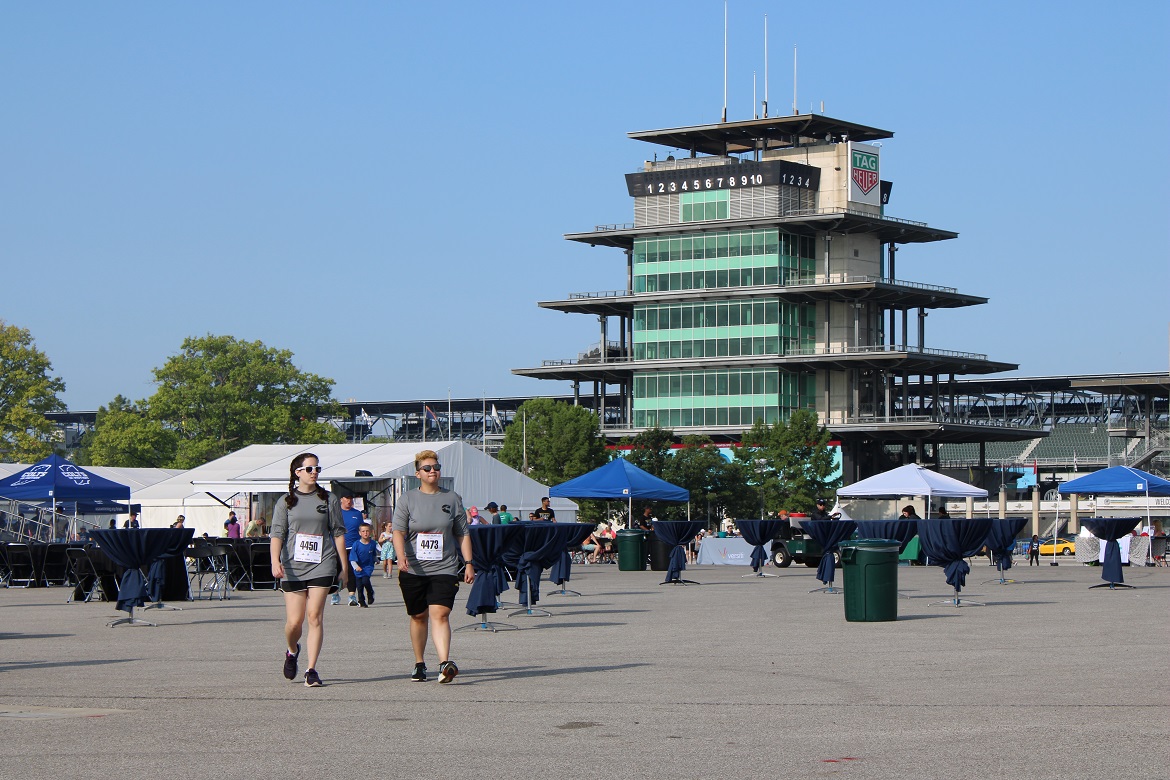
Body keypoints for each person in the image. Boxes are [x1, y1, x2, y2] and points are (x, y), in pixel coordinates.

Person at [392, 449, 473, 684]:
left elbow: (462, 533)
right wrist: (400, 556)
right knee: (418, 615)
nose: (432, 471)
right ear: (418, 473)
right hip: (414, 568)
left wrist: (468, 563)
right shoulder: (407, 499)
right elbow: (398, 531)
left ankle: (444, 663)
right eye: (427, 468)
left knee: (441, 613)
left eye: (436, 467)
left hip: (445, 566)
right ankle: (419, 663)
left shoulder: (452, 498)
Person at [269, 452, 347, 688]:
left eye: (317, 469)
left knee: (315, 616)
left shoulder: (328, 499)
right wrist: (275, 561)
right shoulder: (285, 501)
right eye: (310, 469)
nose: (314, 473)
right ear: (298, 473)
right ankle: (292, 650)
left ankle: (311, 669)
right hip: (293, 566)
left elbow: (338, 532)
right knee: (295, 622)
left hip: (322, 563)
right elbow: (277, 534)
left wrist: (343, 567)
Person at [335, 495, 365, 606]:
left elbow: (362, 529)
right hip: (338, 547)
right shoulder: (336, 513)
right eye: (346, 498)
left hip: (353, 547)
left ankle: (351, 595)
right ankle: (335, 593)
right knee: (338, 570)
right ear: (341, 499)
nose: (349, 501)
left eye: (350, 499)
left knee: (352, 571)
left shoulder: (357, 513)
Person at [349, 523, 378, 608]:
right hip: (358, 567)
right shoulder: (356, 544)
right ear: (359, 533)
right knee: (359, 586)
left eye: (367, 531)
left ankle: (370, 593)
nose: (365, 533)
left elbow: (373, 554)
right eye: (363, 531)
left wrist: (376, 560)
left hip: (368, 567)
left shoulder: (372, 543)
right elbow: (352, 558)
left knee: (365, 581)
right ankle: (361, 601)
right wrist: (356, 566)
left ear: (371, 532)